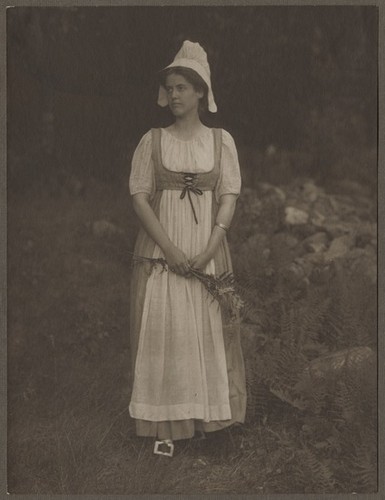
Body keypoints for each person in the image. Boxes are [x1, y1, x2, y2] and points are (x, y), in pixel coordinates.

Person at [128, 40, 246, 457]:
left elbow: (229, 194)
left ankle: (209, 421)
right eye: (170, 88)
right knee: (167, 331)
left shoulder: (220, 141)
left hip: (207, 249)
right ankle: (165, 425)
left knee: (207, 329)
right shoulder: (153, 140)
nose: (174, 95)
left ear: (200, 92)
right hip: (165, 248)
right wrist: (170, 249)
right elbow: (141, 195)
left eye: (183, 87)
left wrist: (213, 244)